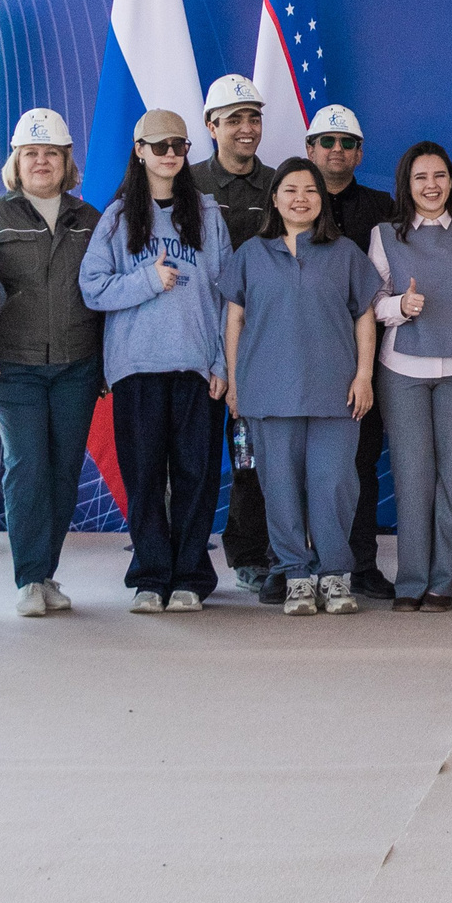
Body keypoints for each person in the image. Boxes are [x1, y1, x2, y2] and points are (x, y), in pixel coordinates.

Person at [79, 109, 232, 614]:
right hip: (136, 368)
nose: (170, 155)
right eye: (160, 145)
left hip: (196, 366)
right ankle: (150, 575)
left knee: (196, 474)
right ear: (139, 150)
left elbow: (226, 295)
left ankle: (188, 575)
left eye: (179, 146)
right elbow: (92, 288)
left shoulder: (208, 216)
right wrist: (147, 280)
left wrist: (221, 363)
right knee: (144, 476)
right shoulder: (118, 218)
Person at [222, 156, 379, 615]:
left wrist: (365, 374)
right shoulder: (251, 253)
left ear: (322, 199)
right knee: (280, 486)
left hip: (336, 392)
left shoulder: (346, 252)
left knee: (334, 484)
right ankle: (295, 575)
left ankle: (333, 575)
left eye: (310, 190)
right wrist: (234, 382)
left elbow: (364, 316)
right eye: (290, 190)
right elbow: (234, 319)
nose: (301, 198)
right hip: (267, 393)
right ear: (275, 198)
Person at [0, 108, 102, 619]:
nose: (41, 162)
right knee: (26, 467)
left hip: (78, 363)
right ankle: (28, 578)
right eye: (31, 154)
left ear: (67, 162)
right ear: (16, 163)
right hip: (13, 365)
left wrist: (106, 361)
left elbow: (102, 291)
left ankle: (47, 573)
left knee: (63, 469)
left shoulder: (89, 219)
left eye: (51, 154)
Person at [368, 140, 452, 610]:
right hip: (402, 369)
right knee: (412, 474)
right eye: (421, 177)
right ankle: (410, 581)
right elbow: (371, 302)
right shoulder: (384, 235)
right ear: (407, 184)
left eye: (439, 176)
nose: (431, 185)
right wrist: (401, 307)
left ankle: (444, 582)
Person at [306, 102, 398, 599]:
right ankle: (300, 566)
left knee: (361, 464)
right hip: (303, 354)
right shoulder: (292, 202)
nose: (337, 150)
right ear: (309, 149)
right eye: (328, 142)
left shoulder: (384, 207)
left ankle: (360, 566)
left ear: (360, 153)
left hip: (368, 355)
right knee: (300, 464)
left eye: (347, 143)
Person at [192, 73, 279, 596]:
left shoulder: (281, 185)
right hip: (199, 347)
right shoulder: (186, 184)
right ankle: (182, 562)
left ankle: (251, 552)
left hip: (262, 348)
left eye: (254, 118)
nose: (246, 129)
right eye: (234, 120)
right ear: (211, 126)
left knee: (253, 457)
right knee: (193, 458)